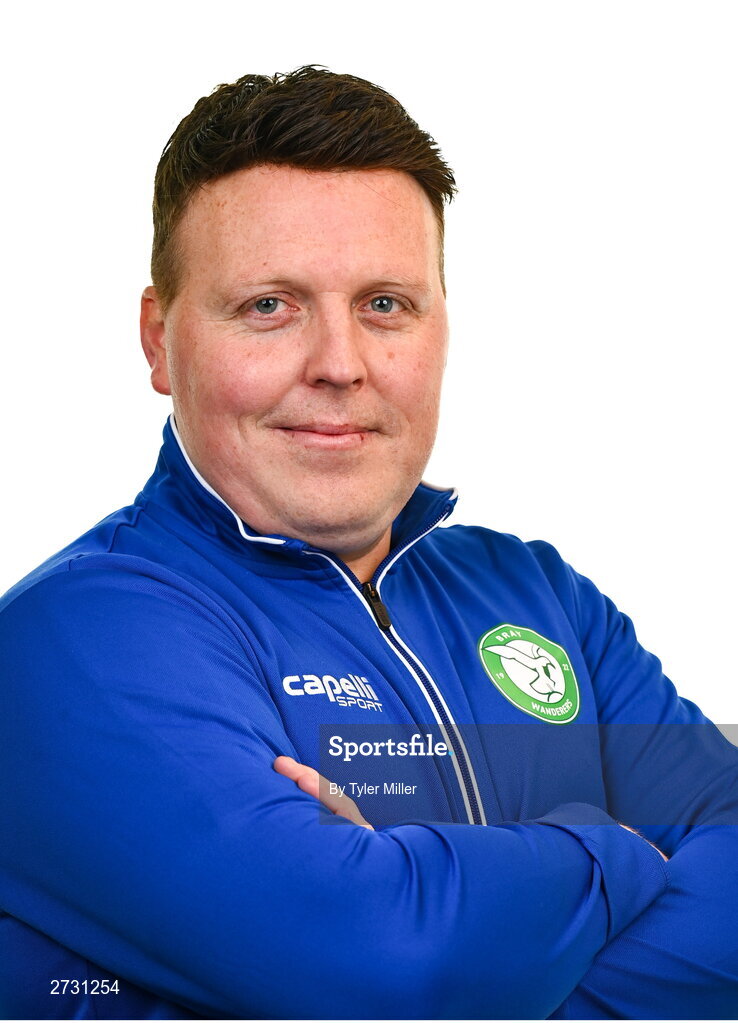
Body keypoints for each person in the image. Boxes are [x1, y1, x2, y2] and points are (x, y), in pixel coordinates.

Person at [0, 65, 736, 1021]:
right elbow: (388, 965)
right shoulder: (77, 642)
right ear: (158, 340)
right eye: (270, 306)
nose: (340, 365)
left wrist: (453, 931)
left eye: (386, 304)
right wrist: (615, 846)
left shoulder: (541, 597)